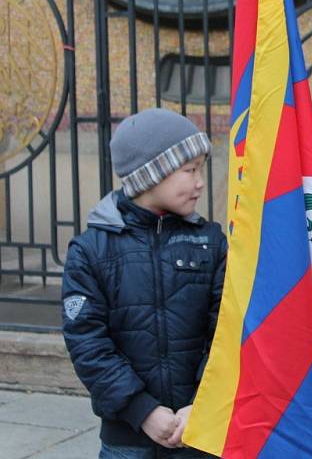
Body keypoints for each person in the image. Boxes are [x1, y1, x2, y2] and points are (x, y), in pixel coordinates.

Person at [61, 108, 226, 458]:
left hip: (199, 429)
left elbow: (225, 331)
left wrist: (202, 403)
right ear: (151, 174)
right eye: (189, 170)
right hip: (127, 438)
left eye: (201, 169)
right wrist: (142, 410)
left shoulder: (211, 243)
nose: (199, 181)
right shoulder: (90, 252)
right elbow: (88, 343)